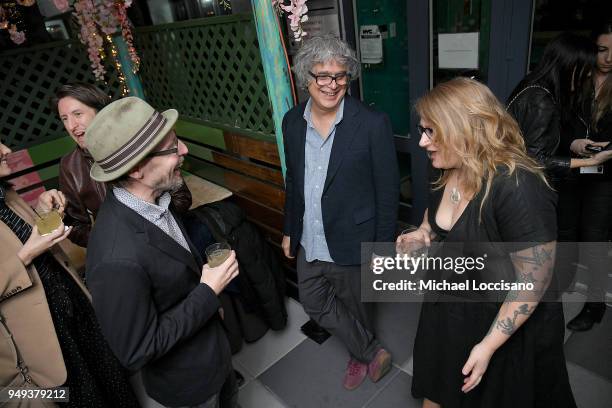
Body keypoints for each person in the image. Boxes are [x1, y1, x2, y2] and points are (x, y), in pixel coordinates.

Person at [400, 77, 576, 408]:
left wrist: (489, 345)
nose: (422, 142)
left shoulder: (516, 186)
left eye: (431, 131)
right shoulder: (449, 167)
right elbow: (436, 216)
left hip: (502, 322)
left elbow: (534, 281)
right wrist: (423, 233)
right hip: (452, 308)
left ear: (462, 129)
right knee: (439, 389)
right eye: (422, 130)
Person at [84, 96, 239, 408]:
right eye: (172, 147)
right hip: (190, 386)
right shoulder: (115, 259)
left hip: (214, 354)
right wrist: (208, 293)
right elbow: (137, 350)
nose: (183, 150)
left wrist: (209, 306)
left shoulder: (156, 200)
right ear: (139, 169)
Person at [281, 36, 400, 390]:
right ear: (306, 77)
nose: (332, 85)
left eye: (341, 76)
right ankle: (369, 349)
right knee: (314, 301)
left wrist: (380, 249)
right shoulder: (292, 122)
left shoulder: (372, 123)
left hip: (353, 237)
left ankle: (359, 354)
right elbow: (294, 180)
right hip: (311, 238)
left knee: (360, 307)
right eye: (323, 76)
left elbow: (388, 190)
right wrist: (290, 227)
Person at [0, 141, 139, 407]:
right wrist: (24, 256)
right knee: (86, 396)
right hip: (45, 335)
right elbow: (25, 251)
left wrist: (42, 212)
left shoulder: (6, 194)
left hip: (72, 304)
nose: (7, 150)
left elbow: (29, 238)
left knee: (115, 384)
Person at [54, 83, 192, 247]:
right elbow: (75, 225)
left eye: (77, 114)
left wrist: (157, 223)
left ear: (101, 113)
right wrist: (114, 242)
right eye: (64, 119)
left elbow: (183, 197)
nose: (71, 126)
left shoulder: (136, 143)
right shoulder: (70, 166)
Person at [507, 32, 612, 186]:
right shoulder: (541, 100)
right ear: (570, 66)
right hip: (522, 185)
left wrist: (574, 143)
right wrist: (591, 162)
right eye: (586, 68)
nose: (590, 73)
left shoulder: (534, 85)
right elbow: (535, 160)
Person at [564, 20, 612, 331]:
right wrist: (574, 143)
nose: (608, 57)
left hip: (605, 176)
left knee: (594, 241)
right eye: (602, 49)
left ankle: (595, 305)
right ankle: (563, 281)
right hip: (572, 170)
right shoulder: (577, 78)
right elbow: (562, 123)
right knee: (565, 232)